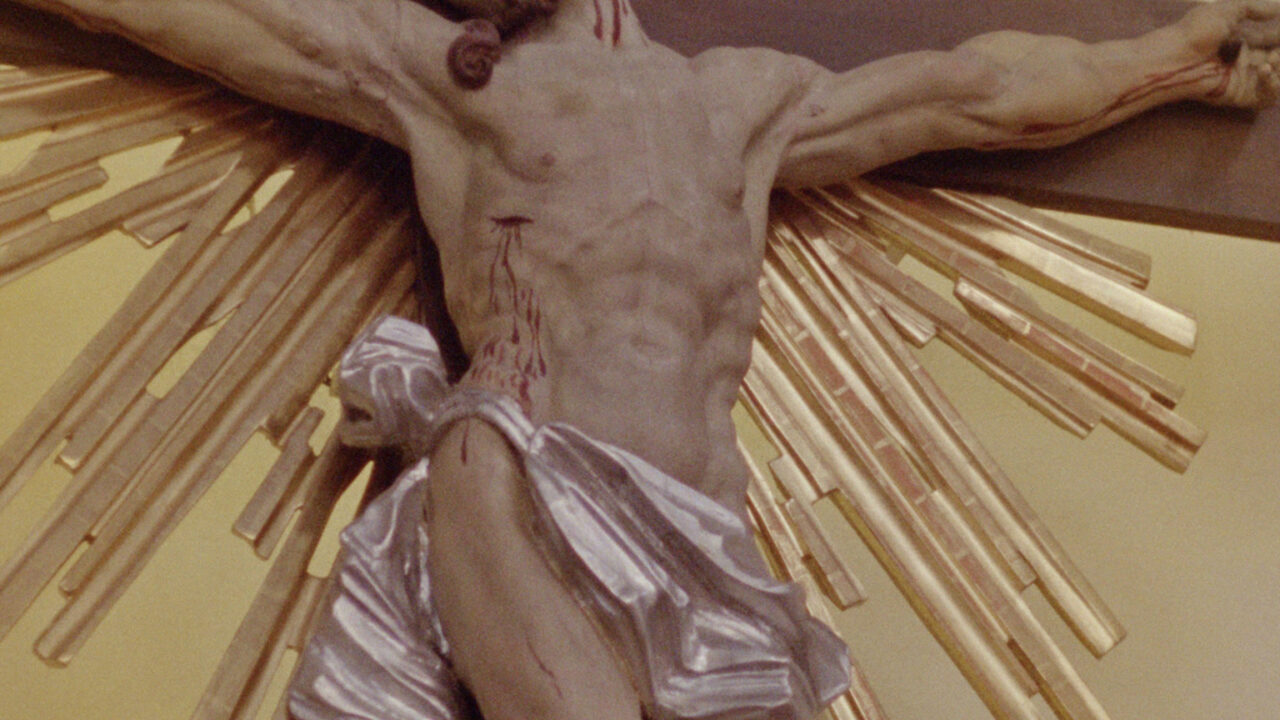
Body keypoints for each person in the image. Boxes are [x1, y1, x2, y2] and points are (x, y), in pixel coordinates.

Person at [12, 1, 1280, 718]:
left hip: (705, 550)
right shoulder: (458, 79)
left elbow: (974, 93)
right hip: (528, 490)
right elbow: (238, 20)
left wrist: (1172, 58)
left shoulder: (747, 100)